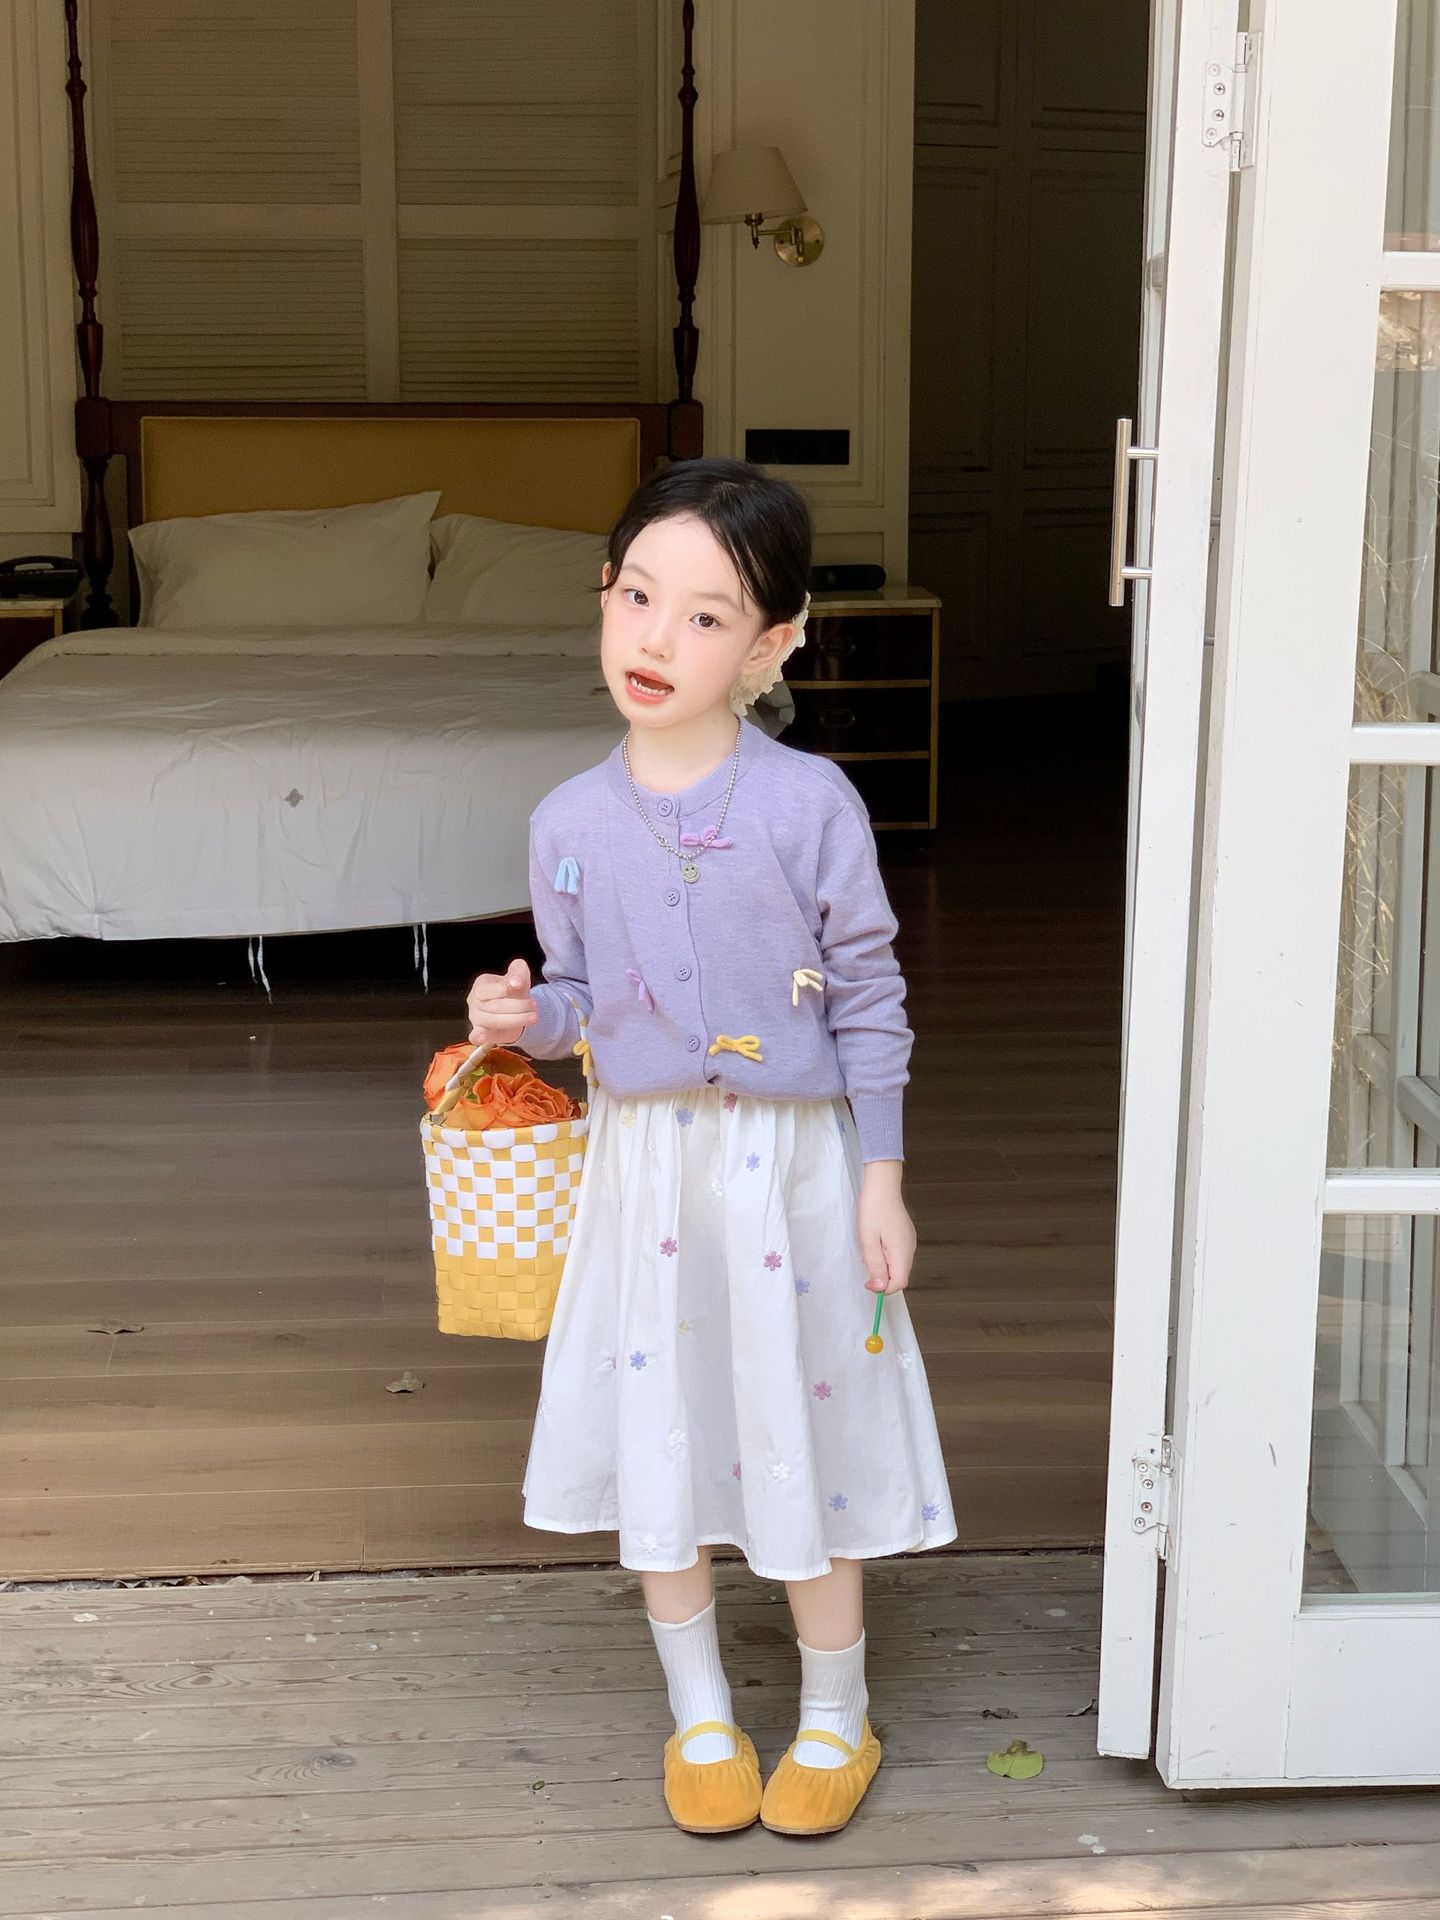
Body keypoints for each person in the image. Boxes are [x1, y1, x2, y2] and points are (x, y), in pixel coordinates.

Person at [465, 455, 956, 1838]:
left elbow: (868, 997)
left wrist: (882, 1180)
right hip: (648, 1173)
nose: (656, 638)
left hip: (793, 1169)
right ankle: (698, 1715)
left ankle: (837, 1716)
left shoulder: (810, 807)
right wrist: (524, 1019)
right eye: (636, 596)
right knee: (663, 1425)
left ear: (771, 644)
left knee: (810, 1417)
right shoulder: (568, 822)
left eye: (705, 615)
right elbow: (579, 999)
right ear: (601, 596)